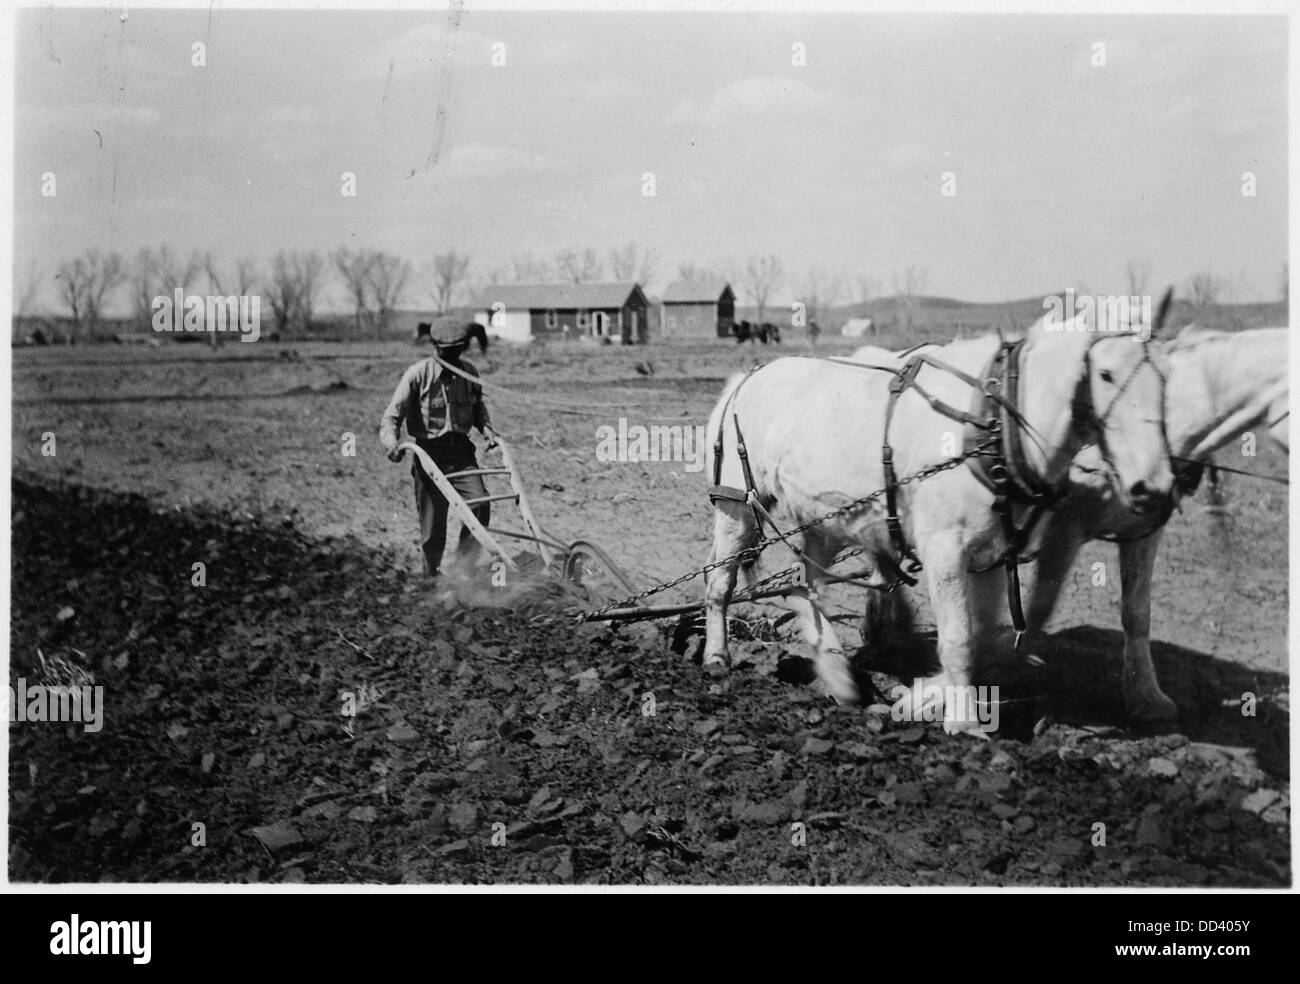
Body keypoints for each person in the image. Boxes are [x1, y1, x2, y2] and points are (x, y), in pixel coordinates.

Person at [380, 322, 498, 578]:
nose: (453, 356)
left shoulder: (469, 373)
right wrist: (392, 445)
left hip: (461, 454)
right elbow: (391, 417)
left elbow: (478, 409)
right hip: (429, 455)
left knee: (480, 505)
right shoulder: (417, 374)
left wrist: (488, 431)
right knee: (433, 526)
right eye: (447, 351)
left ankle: (463, 571)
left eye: (457, 350)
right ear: (436, 348)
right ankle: (430, 577)